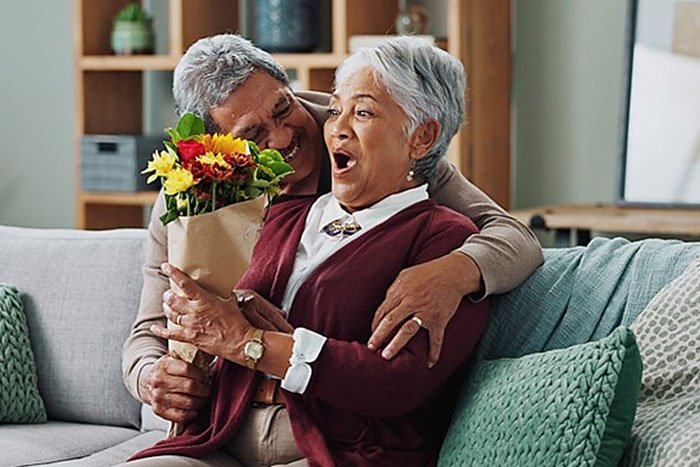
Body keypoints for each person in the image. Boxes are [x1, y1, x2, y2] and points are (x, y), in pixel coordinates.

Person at [121, 33, 542, 446]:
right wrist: (150, 376)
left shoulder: (366, 139)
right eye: (253, 137)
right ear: (215, 148)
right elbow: (151, 327)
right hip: (226, 425)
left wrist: (453, 272)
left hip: (329, 432)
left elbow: (513, 237)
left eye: (284, 108)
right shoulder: (198, 192)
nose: (284, 138)